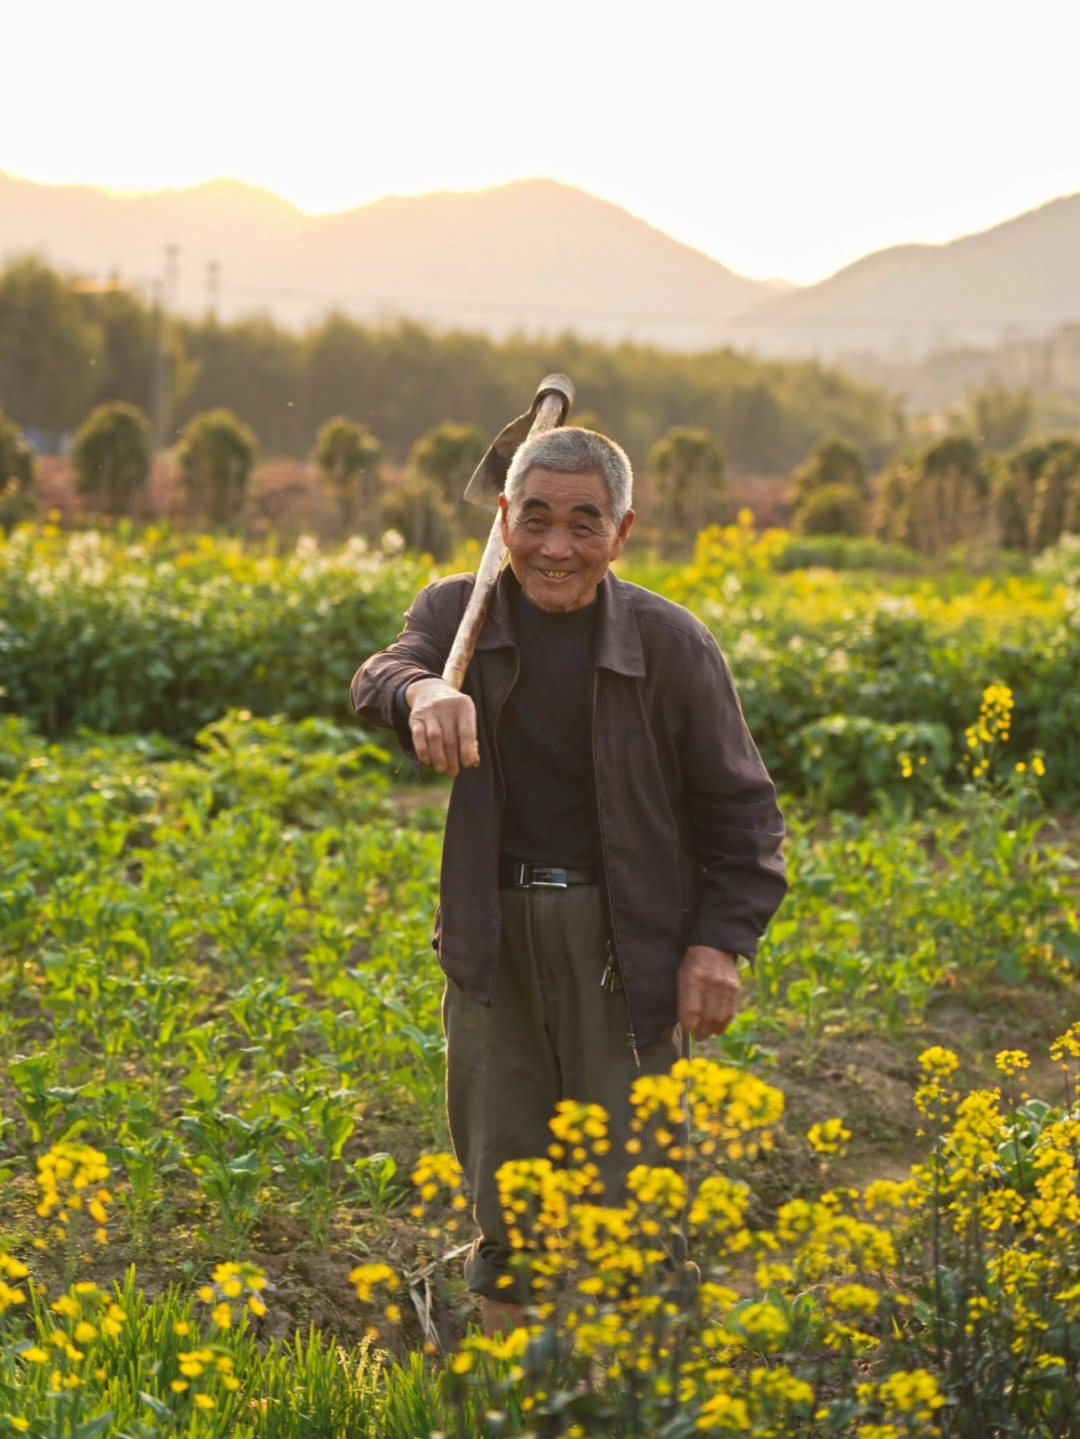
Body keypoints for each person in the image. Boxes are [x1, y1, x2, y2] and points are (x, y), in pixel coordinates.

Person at [351, 426, 786, 1335]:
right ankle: (521, 1406)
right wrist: (422, 692)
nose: (556, 546)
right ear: (503, 518)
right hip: (493, 938)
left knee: (636, 1199)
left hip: (624, 943)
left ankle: (635, 1404)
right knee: (507, 1196)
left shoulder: (670, 646)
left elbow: (743, 815)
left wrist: (718, 943)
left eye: (584, 523)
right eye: (535, 518)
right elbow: (380, 672)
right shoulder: (459, 612)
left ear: (621, 532)